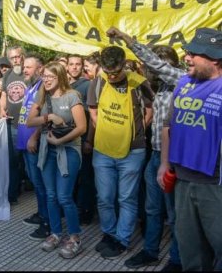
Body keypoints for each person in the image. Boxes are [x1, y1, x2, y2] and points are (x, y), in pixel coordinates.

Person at [107, 27, 183, 271]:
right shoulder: (160, 87)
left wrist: (125, 37)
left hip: (173, 160)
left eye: (158, 65)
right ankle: (150, 251)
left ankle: (176, 260)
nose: (152, 69)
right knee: (152, 209)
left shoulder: (181, 81)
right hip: (156, 157)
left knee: (173, 215)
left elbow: (153, 63)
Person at [157, 28, 222, 271]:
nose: (187, 58)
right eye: (187, 52)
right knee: (190, 250)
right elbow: (167, 124)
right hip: (182, 180)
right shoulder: (184, 82)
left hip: (214, 184)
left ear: (214, 58)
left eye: (194, 54)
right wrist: (164, 163)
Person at [87, 46, 154, 259]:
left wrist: (134, 133)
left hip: (133, 152)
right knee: (105, 197)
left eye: (116, 72)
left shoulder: (139, 82)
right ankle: (108, 233)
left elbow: (150, 109)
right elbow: (93, 110)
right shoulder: (97, 82)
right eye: (108, 72)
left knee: (127, 198)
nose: (112, 76)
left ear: (124, 64)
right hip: (103, 150)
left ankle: (122, 239)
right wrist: (109, 131)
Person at [27, 62, 87, 259]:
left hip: (68, 150)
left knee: (64, 197)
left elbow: (81, 128)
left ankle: (75, 237)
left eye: (50, 77)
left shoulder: (72, 96)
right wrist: (49, 116)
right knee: (50, 195)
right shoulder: (43, 95)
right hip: (47, 149)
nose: (46, 80)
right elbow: (30, 121)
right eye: (44, 76)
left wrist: (60, 140)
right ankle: (55, 233)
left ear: (60, 77)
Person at [16, 55, 49, 240]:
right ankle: (41, 213)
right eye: (24, 66)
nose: (25, 70)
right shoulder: (30, 86)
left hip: (33, 143)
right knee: (35, 182)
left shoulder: (43, 88)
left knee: (40, 183)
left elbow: (45, 116)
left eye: (29, 67)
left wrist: (34, 138)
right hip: (24, 142)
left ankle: (46, 220)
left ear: (40, 68)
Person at [67, 54, 95, 226]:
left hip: (83, 138)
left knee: (85, 176)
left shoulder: (88, 85)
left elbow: (93, 116)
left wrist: (89, 140)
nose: (75, 67)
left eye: (78, 64)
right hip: (68, 139)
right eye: (72, 64)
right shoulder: (64, 86)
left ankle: (85, 210)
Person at [0, 46, 26, 205]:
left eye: (18, 56)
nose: (16, 60)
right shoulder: (7, 75)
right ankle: (12, 194)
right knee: (13, 160)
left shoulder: (29, 73)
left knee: (30, 163)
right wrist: (3, 108)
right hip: (12, 124)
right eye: (12, 58)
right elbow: (4, 94)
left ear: (23, 56)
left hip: (28, 126)